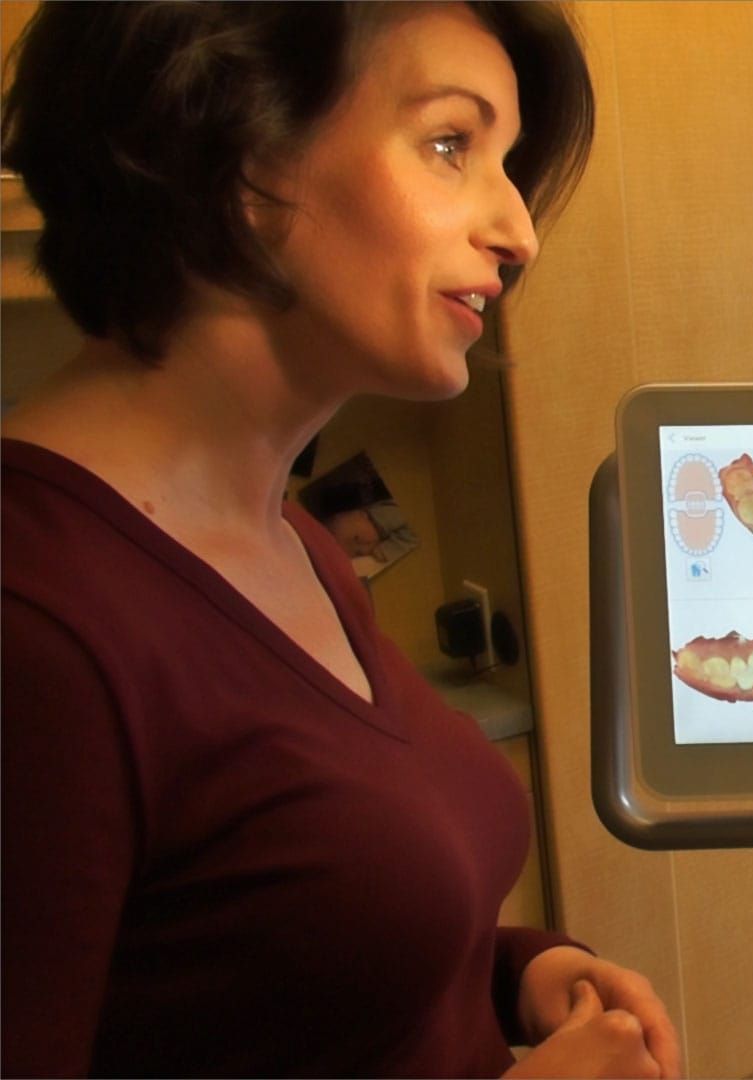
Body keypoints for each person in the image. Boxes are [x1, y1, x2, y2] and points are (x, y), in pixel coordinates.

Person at [1, 4, 681, 1076]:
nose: (518, 230)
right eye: (452, 145)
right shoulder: (37, 628)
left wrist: (517, 974)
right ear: (229, 144)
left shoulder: (292, 544)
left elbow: (278, 963)